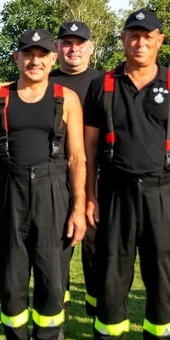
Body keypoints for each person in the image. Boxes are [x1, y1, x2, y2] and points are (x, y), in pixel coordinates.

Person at [84, 9, 170, 340]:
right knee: (111, 277)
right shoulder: (102, 85)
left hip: (163, 193)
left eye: (147, 36)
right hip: (115, 193)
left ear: (160, 40)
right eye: (133, 35)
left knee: (162, 276)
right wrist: (89, 197)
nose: (140, 42)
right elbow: (88, 148)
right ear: (122, 39)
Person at [0, 29, 86, 340]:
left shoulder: (66, 99)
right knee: (10, 279)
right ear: (16, 58)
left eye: (41, 54)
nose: (34, 61)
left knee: (53, 281)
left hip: (54, 196)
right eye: (27, 54)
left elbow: (77, 157)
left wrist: (79, 208)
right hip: (10, 195)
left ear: (53, 58)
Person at [50, 21, 103, 318]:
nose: (73, 49)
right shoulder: (45, 80)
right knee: (59, 248)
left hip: (95, 178)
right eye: (67, 43)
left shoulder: (105, 83)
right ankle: (58, 311)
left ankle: (97, 314)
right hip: (55, 176)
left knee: (97, 250)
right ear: (57, 48)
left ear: (90, 47)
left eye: (79, 43)